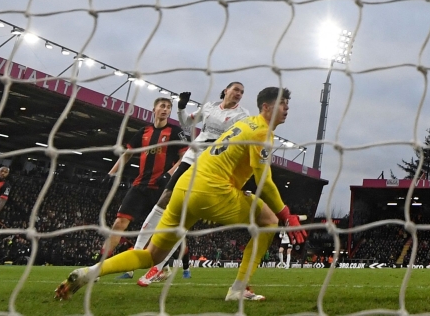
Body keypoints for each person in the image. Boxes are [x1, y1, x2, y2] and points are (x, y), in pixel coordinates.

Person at [56, 87, 306, 303]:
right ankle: (238, 290)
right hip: (212, 190)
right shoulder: (262, 133)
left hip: (185, 185)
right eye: (283, 103)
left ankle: (91, 271)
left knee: (152, 255)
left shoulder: (243, 123)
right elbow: (264, 180)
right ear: (266, 107)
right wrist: (286, 214)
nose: (287, 108)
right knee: (269, 220)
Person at [135, 82, 248, 285]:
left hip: (213, 163)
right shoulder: (209, 107)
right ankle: (137, 251)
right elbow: (187, 123)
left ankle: (158, 267)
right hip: (192, 157)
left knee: (185, 212)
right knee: (165, 198)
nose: (239, 94)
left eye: (241, 92)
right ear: (225, 91)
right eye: (236, 90)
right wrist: (181, 107)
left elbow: (240, 140)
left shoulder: (243, 116)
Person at [104, 97, 189, 273]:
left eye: (168, 107)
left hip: (162, 188)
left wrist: (168, 175)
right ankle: (101, 264)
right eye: (162, 106)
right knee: (119, 223)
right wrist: (112, 173)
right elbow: (127, 154)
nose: (166, 109)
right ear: (154, 109)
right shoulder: (143, 132)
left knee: (161, 231)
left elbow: (184, 158)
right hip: (140, 186)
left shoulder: (175, 132)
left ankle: (163, 268)